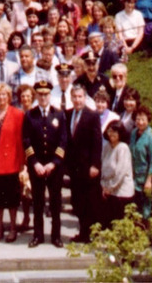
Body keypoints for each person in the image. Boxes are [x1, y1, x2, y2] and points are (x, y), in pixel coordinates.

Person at [22, 78, 65, 248]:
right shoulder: (30, 115)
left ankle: (56, 236)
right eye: (40, 95)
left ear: (50, 95)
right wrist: (35, 163)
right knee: (38, 203)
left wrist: (54, 163)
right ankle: (38, 236)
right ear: (36, 96)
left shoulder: (58, 114)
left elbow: (63, 141)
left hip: (54, 167)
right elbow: (26, 141)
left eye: (46, 94)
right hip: (37, 166)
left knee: (55, 202)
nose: (43, 97)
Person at [0, 81, 25, 242]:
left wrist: (22, 164)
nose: (1, 97)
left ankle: (13, 228)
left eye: (4, 94)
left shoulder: (17, 114)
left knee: (11, 199)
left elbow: (20, 140)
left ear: (9, 96)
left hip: (10, 162)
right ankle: (0, 227)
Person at [64, 81, 102, 241]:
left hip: (88, 167)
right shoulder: (67, 114)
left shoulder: (92, 115)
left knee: (89, 202)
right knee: (77, 201)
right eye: (75, 97)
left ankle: (90, 234)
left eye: (80, 97)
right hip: (74, 167)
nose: (77, 100)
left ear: (85, 98)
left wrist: (95, 165)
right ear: (71, 98)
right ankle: (82, 232)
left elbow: (97, 142)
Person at [100, 120, 135, 223]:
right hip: (108, 191)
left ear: (120, 133)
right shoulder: (107, 146)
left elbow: (120, 173)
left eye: (115, 132)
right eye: (110, 131)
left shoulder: (123, 148)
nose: (112, 134)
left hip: (121, 192)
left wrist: (110, 188)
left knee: (119, 223)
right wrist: (103, 186)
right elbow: (102, 168)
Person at [129, 106, 152, 220]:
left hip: (145, 177)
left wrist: (149, 180)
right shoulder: (133, 133)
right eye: (138, 119)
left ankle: (145, 226)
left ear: (148, 120)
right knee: (134, 205)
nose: (140, 122)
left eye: (143, 119)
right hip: (133, 176)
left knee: (145, 206)